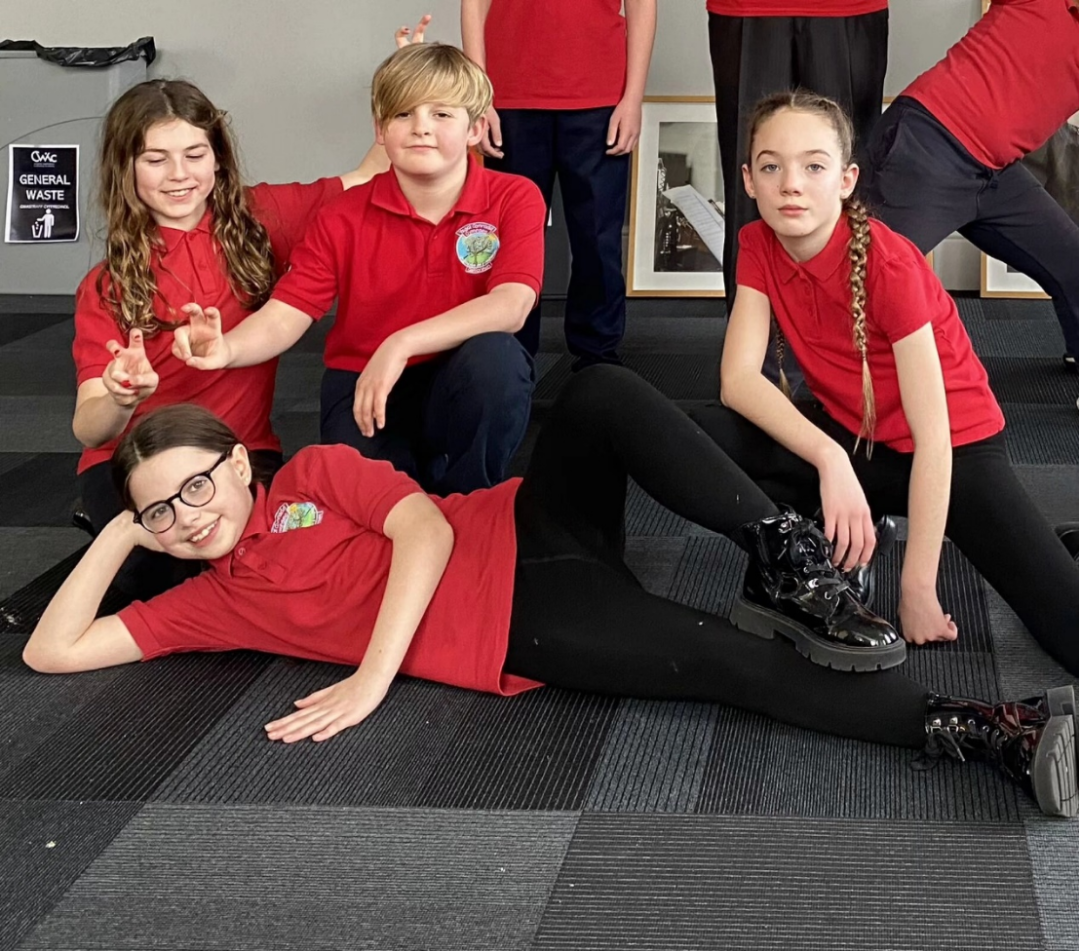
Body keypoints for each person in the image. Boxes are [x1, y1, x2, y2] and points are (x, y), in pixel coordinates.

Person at [21, 366, 1078, 818]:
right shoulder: (206, 602)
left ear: (238, 466)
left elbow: (426, 528)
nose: (188, 515)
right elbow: (51, 651)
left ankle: (781, 552)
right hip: (519, 622)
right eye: (162, 511)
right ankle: (989, 729)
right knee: (728, 662)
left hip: (521, 525)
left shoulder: (310, 474)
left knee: (600, 391)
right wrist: (117, 529)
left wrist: (373, 675)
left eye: (198, 485)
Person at [688, 90, 1080, 677]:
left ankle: (1056, 548)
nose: (790, 185)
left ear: (846, 180)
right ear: (748, 180)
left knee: (1071, 636)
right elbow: (738, 380)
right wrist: (829, 459)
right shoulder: (756, 244)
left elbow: (935, 438)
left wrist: (918, 588)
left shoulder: (889, 265)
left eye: (813, 166)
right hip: (854, 439)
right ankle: (817, 550)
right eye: (771, 167)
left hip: (954, 454)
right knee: (698, 435)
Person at [71, 21, 431, 599]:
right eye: (156, 159)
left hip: (238, 455)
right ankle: (108, 529)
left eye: (194, 154)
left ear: (217, 159)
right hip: (134, 459)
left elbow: (370, 174)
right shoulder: (106, 284)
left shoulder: (261, 219)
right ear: (127, 169)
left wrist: (408, 86)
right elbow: (88, 425)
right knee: (156, 579)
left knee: (278, 569)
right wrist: (120, 396)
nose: (179, 174)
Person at [173, 43, 544, 496]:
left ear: (476, 128)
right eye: (403, 114)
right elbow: (287, 312)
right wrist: (227, 348)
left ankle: (470, 499)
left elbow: (511, 306)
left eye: (441, 114)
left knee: (498, 360)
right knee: (370, 506)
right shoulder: (341, 214)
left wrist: (401, 343)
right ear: (380, 130)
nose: (421, 127)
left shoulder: (514, 197)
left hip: (458, 377)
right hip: (363, 383)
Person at [865, 0, 1080, 381]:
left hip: (995, 172)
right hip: (926, 146)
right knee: (864, 277)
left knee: (1071, 262)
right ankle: (782, 386)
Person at [461, 0, 657, 366]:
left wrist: (633, 98)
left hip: (600, 97)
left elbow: (643, 5)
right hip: (510, 96)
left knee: (598, 238)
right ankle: (508, 354)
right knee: (509, 237)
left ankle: (598, 356)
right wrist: (479, 97)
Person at [706, 0, 889, 315]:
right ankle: (755, 334)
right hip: (747, 9)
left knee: (843, 181)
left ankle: (849, 328)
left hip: (848, 9)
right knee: (755, 181)